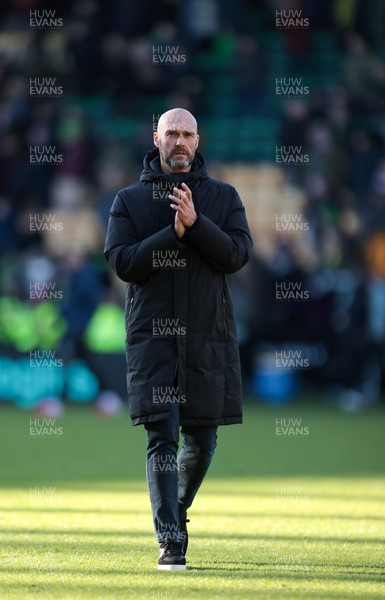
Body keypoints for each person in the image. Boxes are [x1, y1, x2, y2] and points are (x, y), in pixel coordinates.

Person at [104, 108, 252, 570]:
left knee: (202, 442)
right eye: (172, 133)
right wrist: (173, 232)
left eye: (187, 133)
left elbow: (237, 255)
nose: (180, 141)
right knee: (162, 435)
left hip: (208, 338)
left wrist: (197, 223)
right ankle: (170, 539)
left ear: (198, 139)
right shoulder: (129, 200)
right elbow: (124, 263)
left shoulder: (223, 197)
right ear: (157, 138)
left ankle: (176, 513)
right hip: (153, 340)